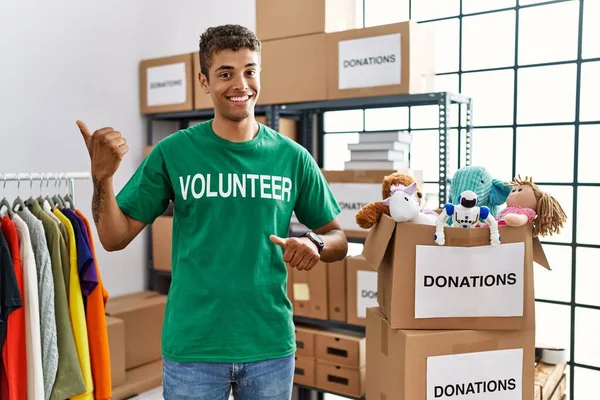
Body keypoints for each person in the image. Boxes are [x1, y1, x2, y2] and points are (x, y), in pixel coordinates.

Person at [76, 24, 348, 399]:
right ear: (204, 81)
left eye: (250, 71)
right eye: (226, 73)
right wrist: (102, 180)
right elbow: (113, 237)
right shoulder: (174, 153)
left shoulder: (293, 157)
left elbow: (340, 238)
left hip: (268, 344)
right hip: (194, 348)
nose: (241, 84)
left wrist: (316, 243)